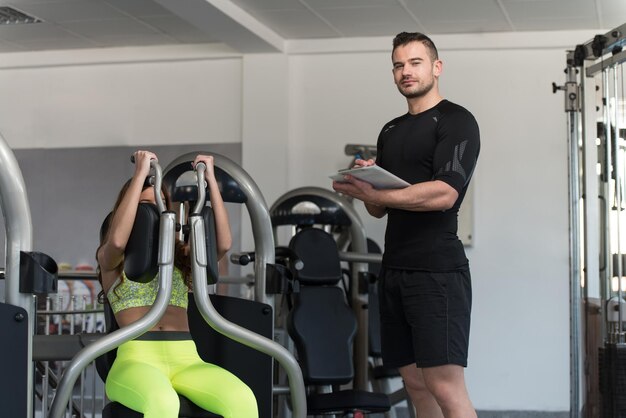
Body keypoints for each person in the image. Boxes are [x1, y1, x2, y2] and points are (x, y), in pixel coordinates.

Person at [332, 32, 480, 418]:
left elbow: (445, 193)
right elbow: (381, 211)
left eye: (415, 62)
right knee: (415, 384)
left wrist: (377, 195)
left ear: (436, 67)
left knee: (445, 385)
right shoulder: (391, 130)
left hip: (437, 272)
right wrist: (367, 185)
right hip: (394, 270)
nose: (405, 72)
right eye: (398, 65)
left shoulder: (456, 121)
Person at [96, 150, 258, 418]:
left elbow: (223, 244)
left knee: (242, 400)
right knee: (163, 404)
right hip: (136, 360)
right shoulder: (112, 261)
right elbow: (116, 241)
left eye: (158, 210)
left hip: (186, 358)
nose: (151, 220)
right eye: (143, 211)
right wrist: (139, 175)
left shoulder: (180, 261)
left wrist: (211, 182)